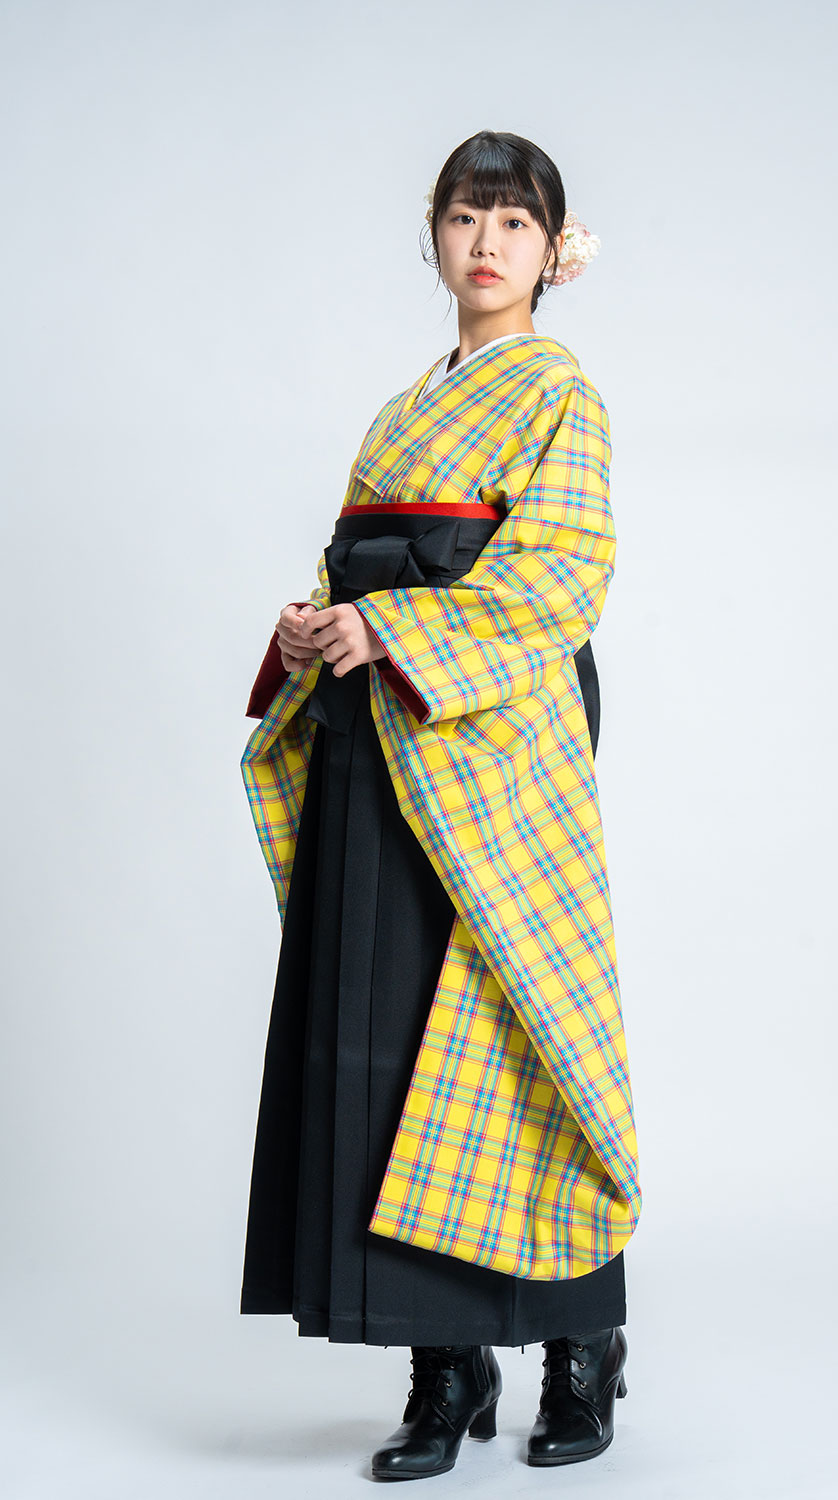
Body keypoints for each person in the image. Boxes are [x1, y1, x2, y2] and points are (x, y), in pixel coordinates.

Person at [238, 128, 642, 1481]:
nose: (488, 243)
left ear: (554, 252)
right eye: (468, 217)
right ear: (434, 236)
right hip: (382, 737)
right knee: (393, 1041)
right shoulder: (404, 409)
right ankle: (444, 1363)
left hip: (491, 738)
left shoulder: (560, 393)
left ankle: (581, 1345)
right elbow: (354, 556)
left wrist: (394, 628)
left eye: (516, 223)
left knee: (516, 1025)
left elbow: (558, 578)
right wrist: (317, 624)